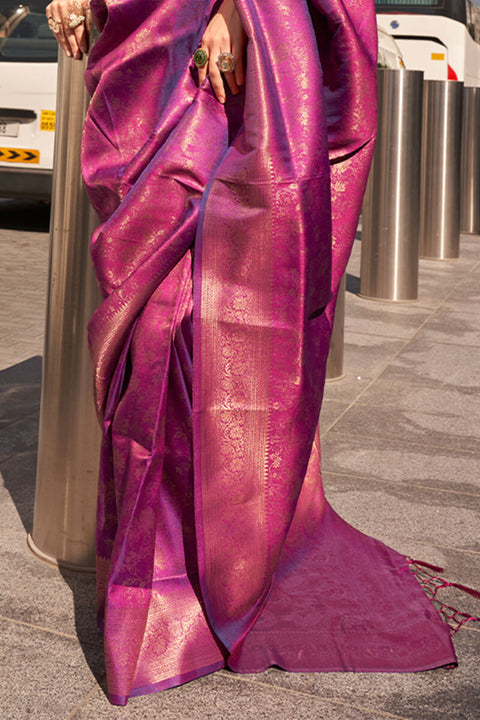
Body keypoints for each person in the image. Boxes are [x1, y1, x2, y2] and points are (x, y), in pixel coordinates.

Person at [45, 0, 464, 707]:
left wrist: (239, 8)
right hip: (134, 26)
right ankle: (156, 561)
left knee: (204, 300)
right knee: (147, 291)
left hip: (218, 22)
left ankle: (201, 556)